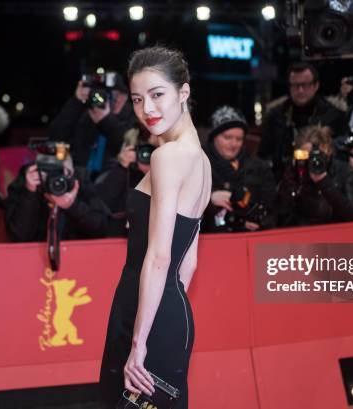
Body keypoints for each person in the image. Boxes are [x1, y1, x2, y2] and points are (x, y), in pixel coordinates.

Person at [97, 46, 211, 409]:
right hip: (166, 315)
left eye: (158, 95)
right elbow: (187, 264)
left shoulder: (167, 158)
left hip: (143, 318)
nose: (147, 109)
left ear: (184, 92)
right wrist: (163, 321)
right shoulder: (202, 161)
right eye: (137, 99)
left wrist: (140, 341)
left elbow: (161, 258)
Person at [258, 62, 347, 179]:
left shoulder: (333, 115)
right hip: (282, 181)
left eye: (305, 85)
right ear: (289, 87)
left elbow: (341, 152)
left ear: (316, 86)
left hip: (323, 179)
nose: (300, 90)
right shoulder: (276, 115)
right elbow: (263, 155)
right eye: (295, 85)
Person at [4, 148, 111, 242]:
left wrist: (72, 206)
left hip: (77, 254)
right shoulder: (27, 183)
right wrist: (30, 192)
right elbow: (19, 236)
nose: (57, 179)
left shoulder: (80, 181)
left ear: (72, 170)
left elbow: (101, 228)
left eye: (63, 171)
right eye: (50, 171)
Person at [202, 105, 276, 233]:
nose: (233, 144)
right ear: (214, 136)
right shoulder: (198, 165)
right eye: (227, 137)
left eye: (239, 139)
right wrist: (209, 198)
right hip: (209, 241)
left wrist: (255, 220)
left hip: (247, 240)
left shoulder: (259, 167)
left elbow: (272, 208)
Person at [47, 72, 137, 177]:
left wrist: (106, 120)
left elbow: (131, 144)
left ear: (124, 96)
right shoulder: (88, 115)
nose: (102, 99)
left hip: (114, 183)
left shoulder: (134, 117)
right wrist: (76, 101)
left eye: (110, 94)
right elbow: (55, 136)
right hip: (83, 180)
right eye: (99, 94)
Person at [276, 125, 353, 226]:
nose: (313, 161)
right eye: (307, 156)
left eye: (317, 156)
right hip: (302, 236)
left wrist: (323, 181)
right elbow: (280, 216)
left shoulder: (343, 171)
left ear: (328, 152)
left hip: (336, 235)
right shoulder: (295, 173)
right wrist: (291, 175)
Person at [94, 128, 158, 237]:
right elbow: (103, 203)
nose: (145, 155)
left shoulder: (163, 170)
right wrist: (122, 165)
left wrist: (151, 172)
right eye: (140, 150)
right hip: (120, 236)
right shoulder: (118, 170)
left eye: (149, 150)